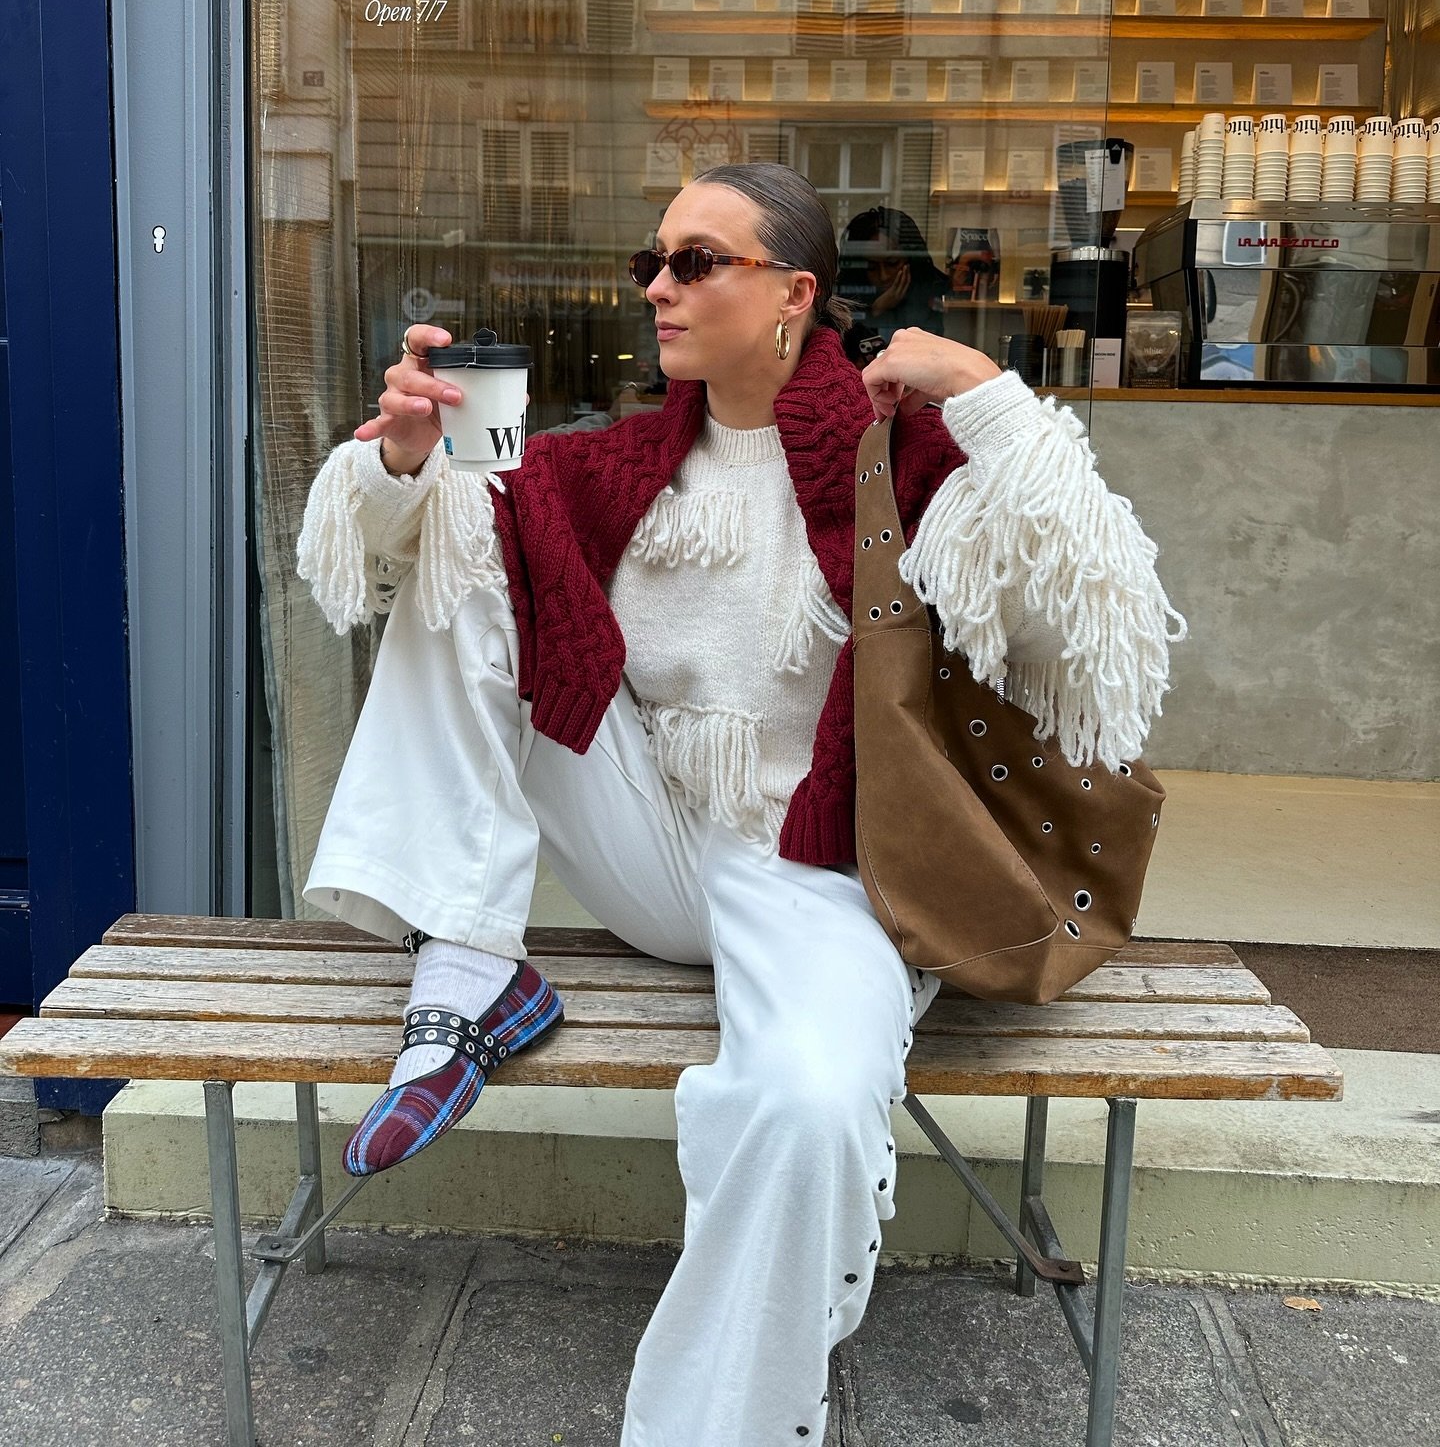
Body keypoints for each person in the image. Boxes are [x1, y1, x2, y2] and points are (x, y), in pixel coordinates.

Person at [296, 163, 1186, 1445]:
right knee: (476, 537)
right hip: (654, 847)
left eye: (697, 261)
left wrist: (985, 396)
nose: (659, 286)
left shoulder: (898, 455)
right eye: (653, 262)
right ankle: (468, 965)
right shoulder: (610, 467)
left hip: (825, 874)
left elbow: (1083, 609)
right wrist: (401, 458)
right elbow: (404, 562)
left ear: (793, 293)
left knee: (812, 1104)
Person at [840, 205, 951, 342]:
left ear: (910, 261)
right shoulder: (846, 293)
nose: (883, 276)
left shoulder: (931, 292)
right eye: (871, 267)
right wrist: (875, 311)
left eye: (892, 263)